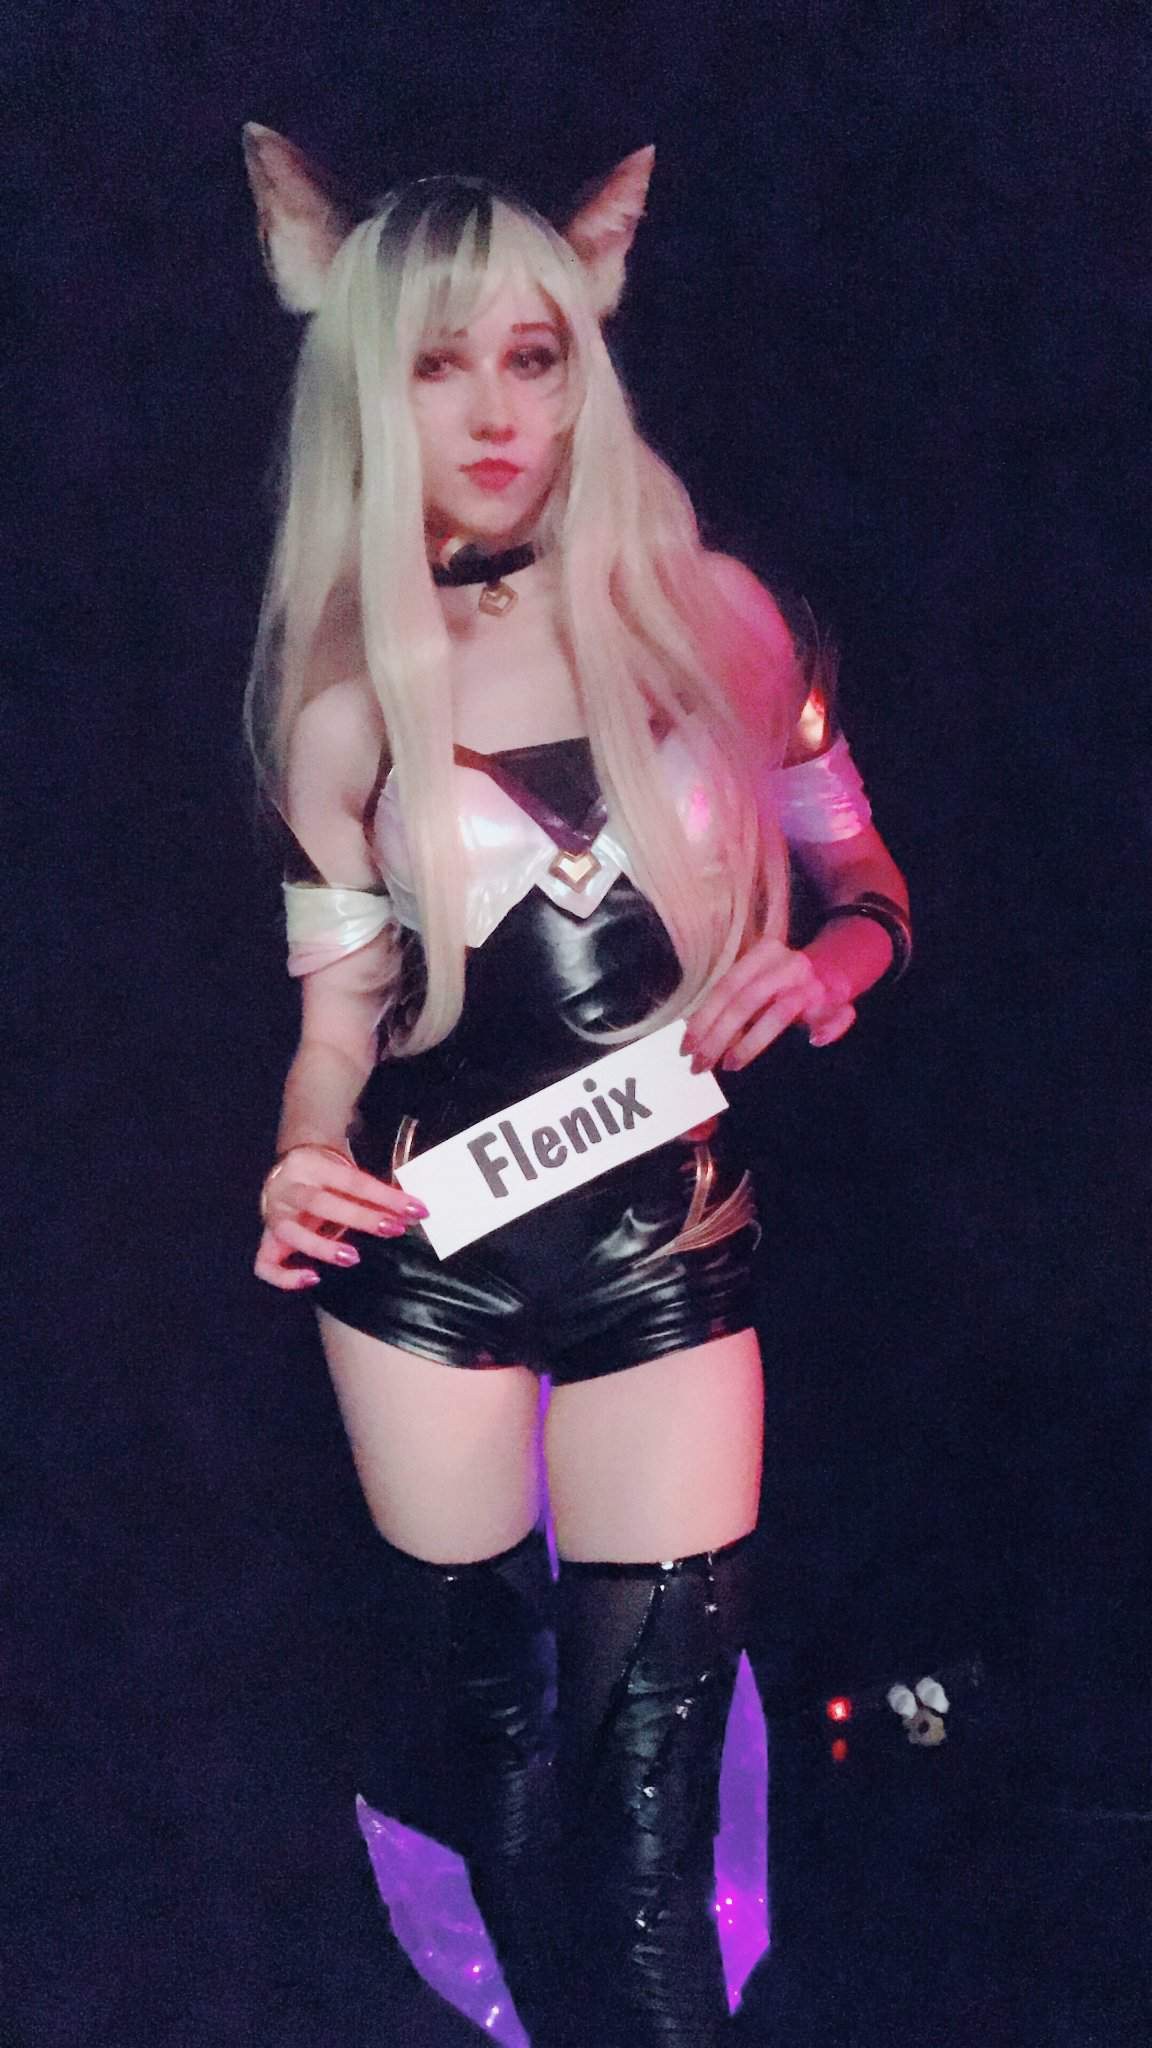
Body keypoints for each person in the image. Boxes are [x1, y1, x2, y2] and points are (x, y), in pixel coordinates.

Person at [243, 124, 909, 2048]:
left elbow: (869, 889)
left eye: (532, 356)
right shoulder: (345, 699)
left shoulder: (725, 620)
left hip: (664, 1248)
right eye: (436, 364)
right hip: (420, 1263)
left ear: (585, 363)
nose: (494, 411)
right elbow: (340, 1019)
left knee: (648, 1826)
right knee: (508, 1786)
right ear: (366, 387)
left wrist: (823, 968)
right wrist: (298, 1152)